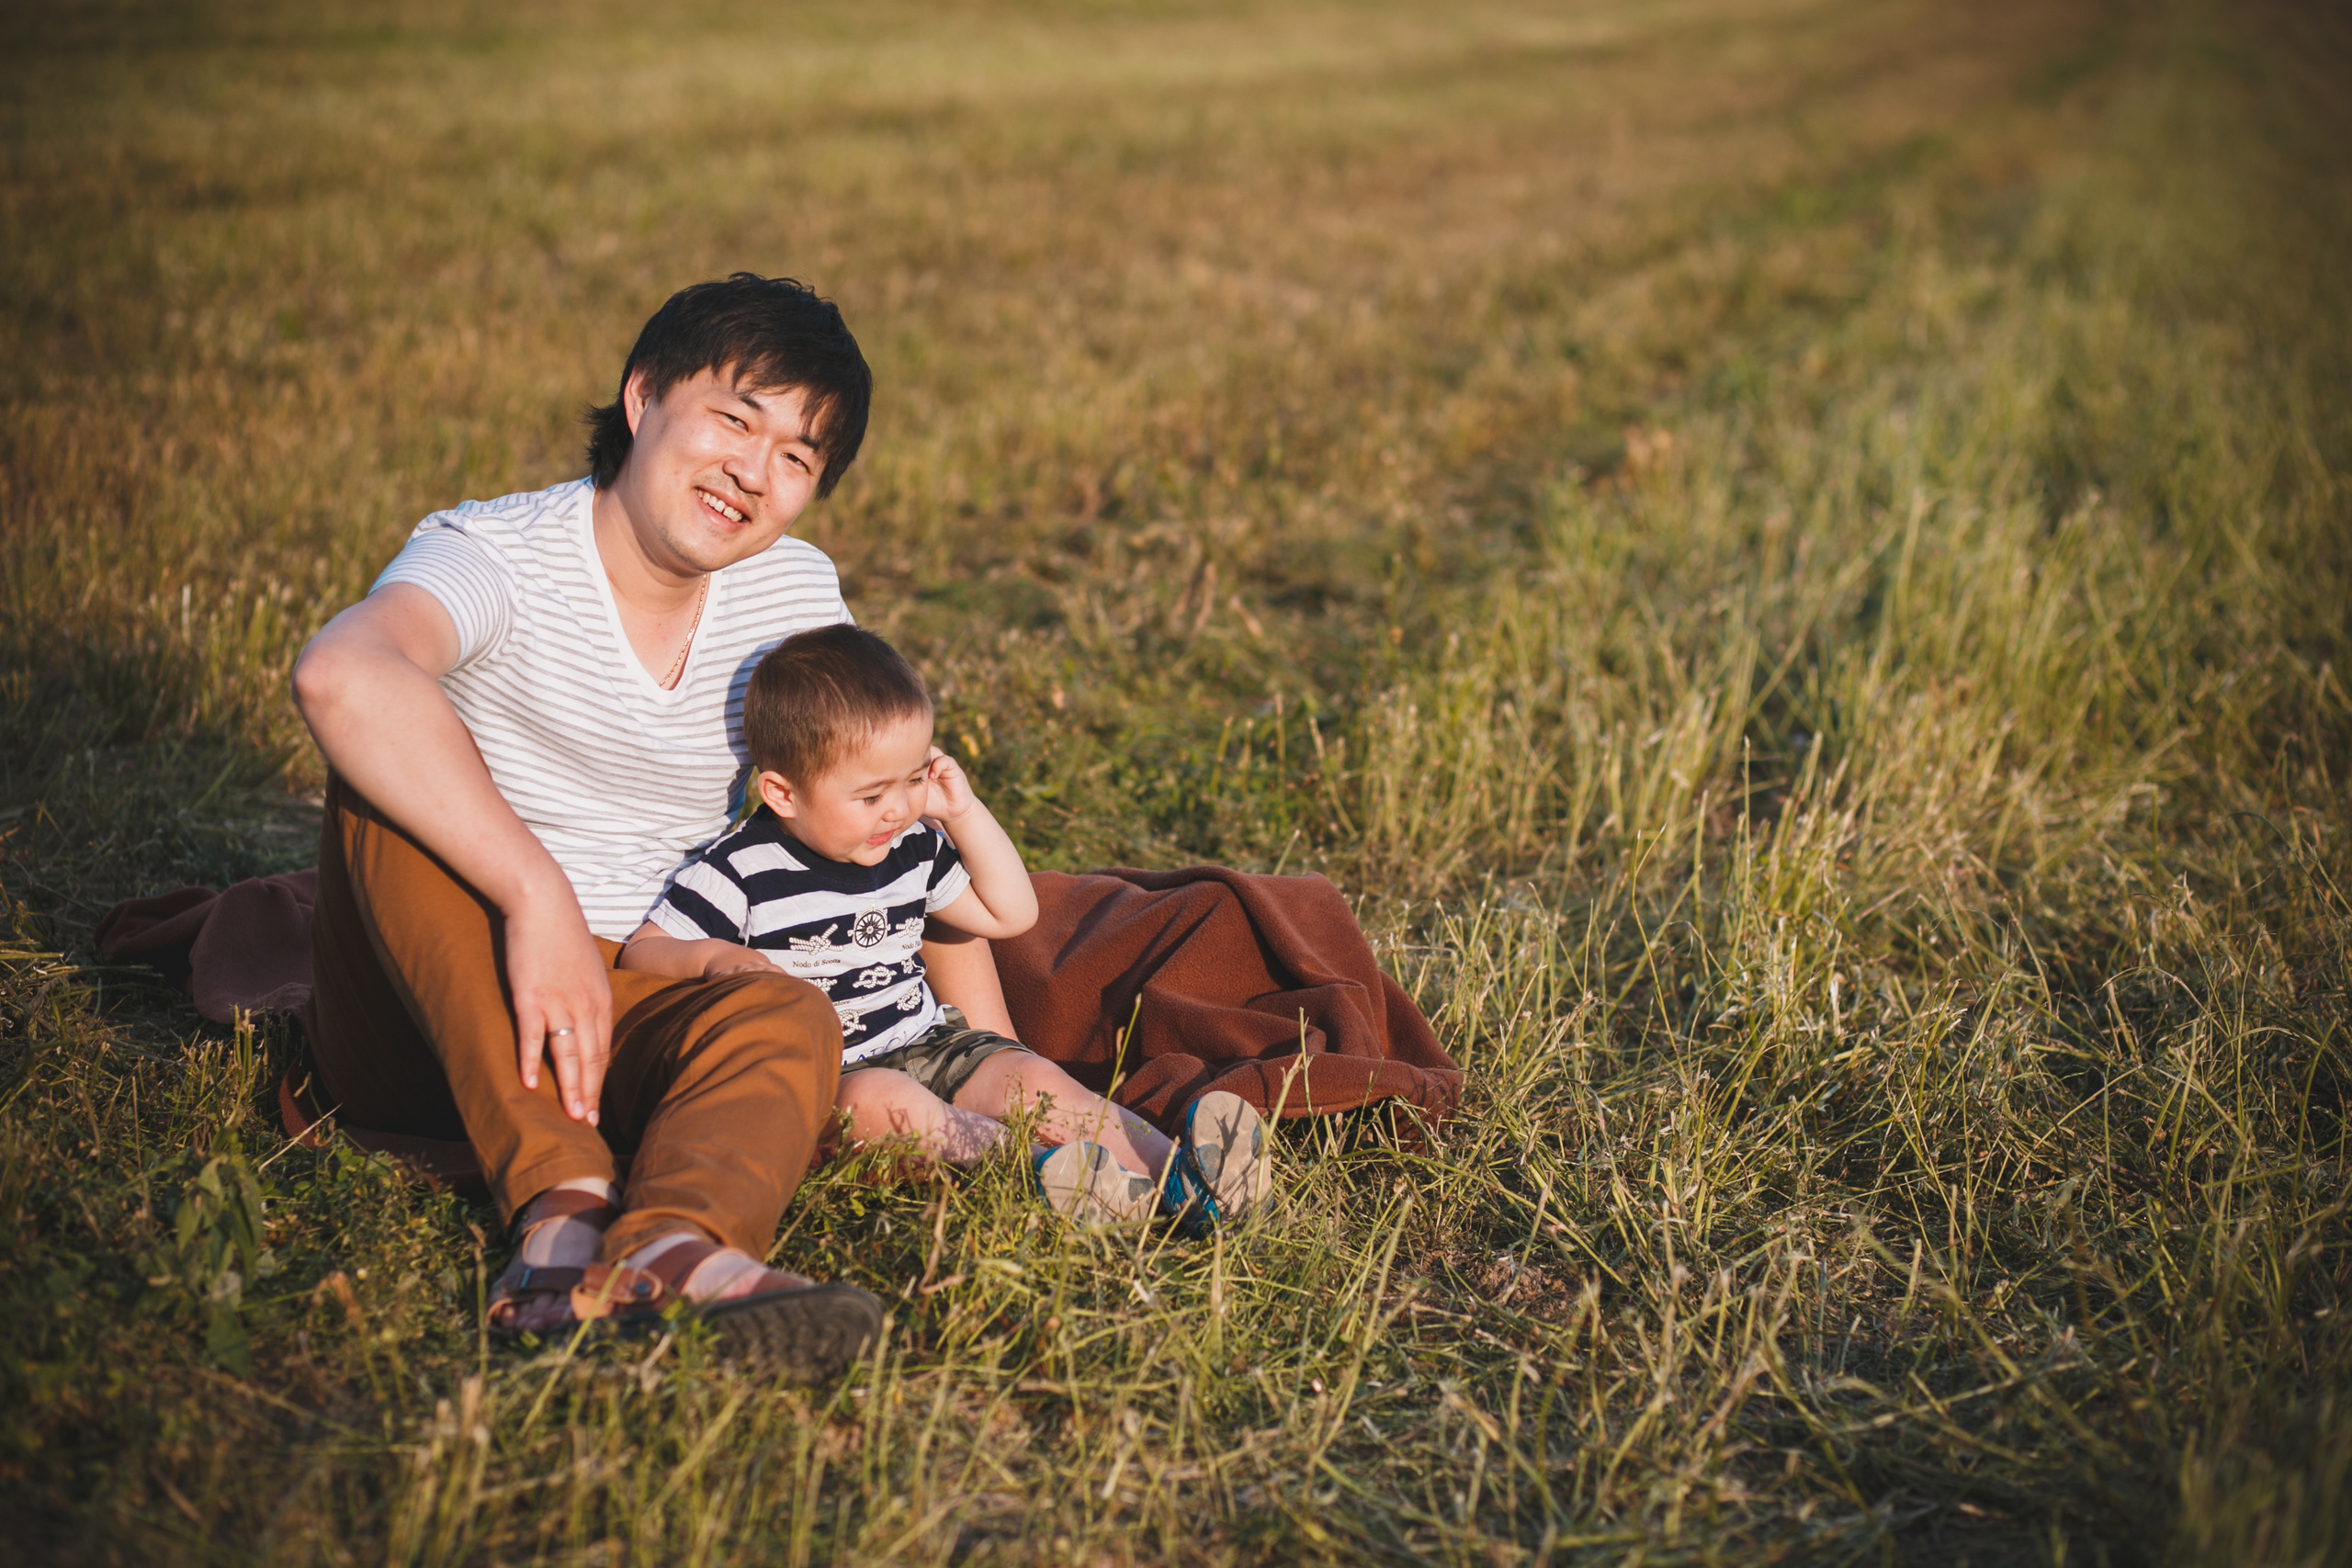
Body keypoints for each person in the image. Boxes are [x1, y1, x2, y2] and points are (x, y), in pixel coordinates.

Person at [290, 274, 924, 1378]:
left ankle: (674, 1252)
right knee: (386, 787)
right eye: (735, 418)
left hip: (635, 987)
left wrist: (986, 1040)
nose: (752, 472)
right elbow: (343, 674)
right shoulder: (497, 554)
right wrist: (534, 898)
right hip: (442, 999)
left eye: (796, 457)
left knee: (784, 1015)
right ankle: (560, 1220)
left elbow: (853, 820)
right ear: (643, 398)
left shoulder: (792, 596)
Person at [615, 624, 1269, 1229]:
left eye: (911, 780)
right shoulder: (741, 869)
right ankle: (1038, 1173)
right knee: (884, 1103)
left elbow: (1011, 913)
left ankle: (1184, 1174)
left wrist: (963, 812)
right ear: (782, 794)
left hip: (933, 1041)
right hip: (830, 1074)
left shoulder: (910, 848)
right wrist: (711, 961)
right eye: (871, 795)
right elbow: (643, 952)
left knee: (1036, 1082)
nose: (896, 808)